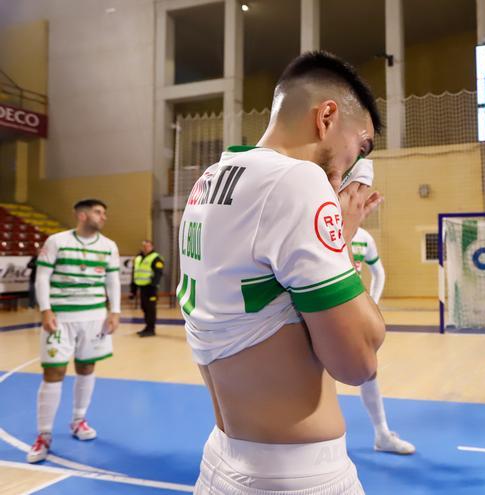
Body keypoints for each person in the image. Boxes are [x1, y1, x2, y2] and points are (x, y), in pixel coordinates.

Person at [178, 51, 385, 494]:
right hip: (295, 475)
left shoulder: (210, 179)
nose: (353, 163)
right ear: (327, 116)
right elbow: (358, 362)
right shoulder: (297, 181)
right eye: (361, 145)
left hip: (222, 459)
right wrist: (342, 241)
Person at [27, 198, 121, 463]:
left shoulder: (109, 246)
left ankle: (78, 420)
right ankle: (44, 435)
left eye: (104, 212)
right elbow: (42, 276)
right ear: (81, 215)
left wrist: (115, 311)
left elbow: (112, 280)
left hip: (94, 318)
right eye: (98, 212)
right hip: (61, 318)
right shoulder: (57, 241)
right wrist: (45, 309)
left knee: (87, 368)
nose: (103, 217)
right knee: (53, 371)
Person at [350, 225, 415, 454]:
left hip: (352, 312)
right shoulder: (322, 225)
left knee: (369, 370)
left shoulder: (364, 237)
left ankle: (382, 434)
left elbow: (378, 271)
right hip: (317, 312)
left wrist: (373, 303)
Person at [130, 239, 164, 337]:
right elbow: (135, 273)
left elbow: (158, 274)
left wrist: (153, 287)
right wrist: (133, 290)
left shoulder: (156, 258)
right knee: (144, 307)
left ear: (152, 247)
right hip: (142, 287)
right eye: (144, 246)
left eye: (148, 246)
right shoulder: (138, 258)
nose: (145, 248)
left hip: (151, 288)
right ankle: (147, 327)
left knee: (150, 309)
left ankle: (151, 329)